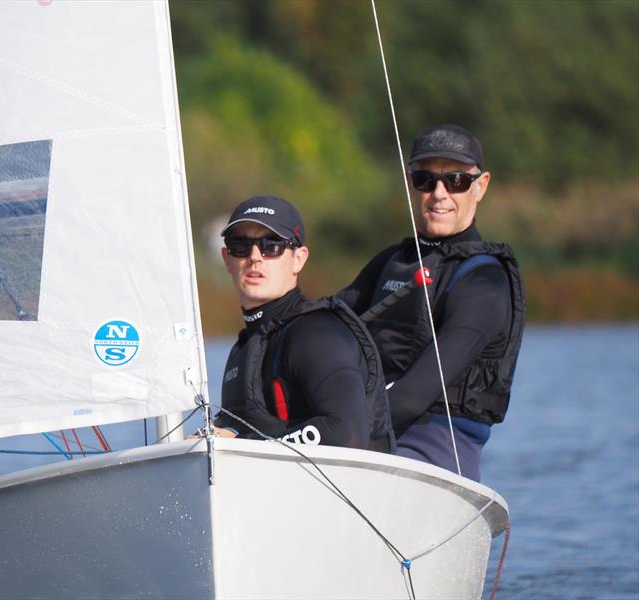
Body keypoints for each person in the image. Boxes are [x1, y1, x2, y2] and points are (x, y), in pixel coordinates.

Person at [338, 124, 526, 481]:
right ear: (411, 183)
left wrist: (333, 428)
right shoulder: (390, 262)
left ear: (481, 186)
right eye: (426, 180)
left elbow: (412, 397)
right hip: (368, 434)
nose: (440, 194)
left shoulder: (484, 282)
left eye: (456, 181)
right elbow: (319, 330)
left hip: (438, 448)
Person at [209, 195, 394, 452]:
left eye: (271, 245)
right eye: (240, 245)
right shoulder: (241, 351)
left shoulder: (317, 334)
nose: (254, 256)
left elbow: (347, 433)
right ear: (227, 259)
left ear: (299, 259)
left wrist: (246, 445)